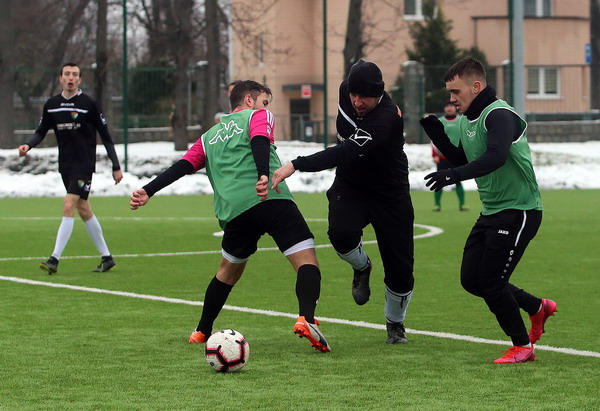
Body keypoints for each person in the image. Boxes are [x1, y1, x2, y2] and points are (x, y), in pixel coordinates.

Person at [129, 80, 330, 352]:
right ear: (249, 100)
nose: (265, 107)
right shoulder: (258, 116)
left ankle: (202, 330)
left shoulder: (208, 137)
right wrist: (262, 174)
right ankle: (306, 318)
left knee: (226, 273)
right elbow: (259, 140)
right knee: (306, 260)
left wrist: (149, 190)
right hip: (272, 199)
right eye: (264, 101)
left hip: (235, 211)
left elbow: (182, 166)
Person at [419, 57, 556, 363]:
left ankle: (523, 346)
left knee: (491, 282)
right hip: (493, 211)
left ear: (476, 86)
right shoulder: (468, 119)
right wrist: (437, 135)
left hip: (520, 211)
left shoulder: (499, 115)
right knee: (472, 280)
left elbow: (495, 157)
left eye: (456, 91)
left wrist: (453, 176)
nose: (452, 98)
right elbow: (464, 160)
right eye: (450, 92)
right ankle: (537, 307)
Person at [272, 60, 414, 344]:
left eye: (365, 97)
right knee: (340, 234)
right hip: (351, 185)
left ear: (380, 94)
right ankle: (362, 267)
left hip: (390, 192)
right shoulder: (345, 90)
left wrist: (296, 164)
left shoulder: (386, 117)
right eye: (354, 95)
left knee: (399, 268)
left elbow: (345, 150)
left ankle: (395, 324)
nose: (357, 102)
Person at [18, 62, 123, 274]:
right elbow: (41, 131)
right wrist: (28, 145)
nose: (71, 78)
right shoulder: (52, 104)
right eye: (67, 74)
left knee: (68, 206)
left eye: (75, 74)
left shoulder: (88, 104)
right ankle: (107, 257)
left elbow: (105, 136)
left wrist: (116, 165)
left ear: (80, 79)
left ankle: (54, 259)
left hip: (84, 164)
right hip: (65, 164)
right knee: (83, 209)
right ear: (60, 78)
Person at [431, 101, 467, 212]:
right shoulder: (439, 122)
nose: (449, 108)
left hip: (456, 157)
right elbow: (433, 139)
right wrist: (434, 154)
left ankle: (462, 205)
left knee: (458, 180)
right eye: (447, 106)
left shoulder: (462, 120)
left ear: (455, 108)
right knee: (439, 181)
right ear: (444, 109)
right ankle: (437, 205)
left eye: (451, 106)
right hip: (442, 157)